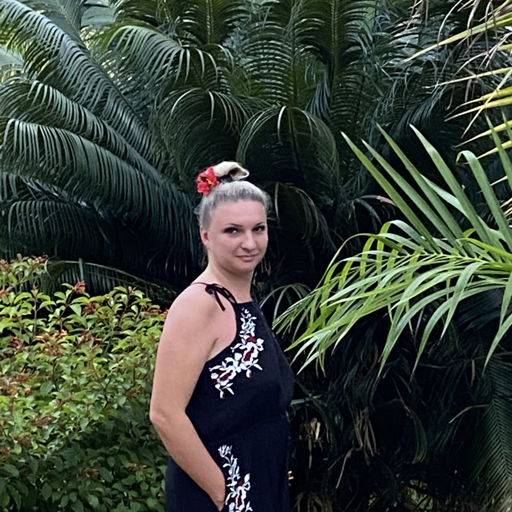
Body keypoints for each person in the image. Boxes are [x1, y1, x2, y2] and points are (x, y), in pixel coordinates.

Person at [149, 161, 295, 512]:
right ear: (205, 235)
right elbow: (164, 413)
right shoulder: (200, 304)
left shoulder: (242, 299)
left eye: (258, 229)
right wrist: (220, 490)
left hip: (260, 483)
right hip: (222, 492)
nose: (249, 243)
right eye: (233, 231)